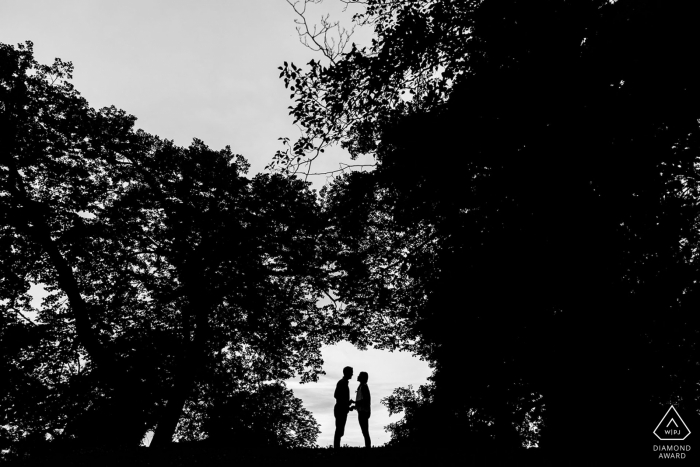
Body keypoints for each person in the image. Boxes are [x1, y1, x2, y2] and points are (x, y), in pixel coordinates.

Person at [333, 366, 354, 449]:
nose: (352, 374)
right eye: (351, 372)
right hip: (340, 409)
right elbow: (336, 396)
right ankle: (336, 449)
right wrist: (347, 403)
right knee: (339, 430)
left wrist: (348, 405)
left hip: (342, 409)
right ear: (347, 373)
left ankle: (336, 448)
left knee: (340, 430)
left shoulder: (343, 382)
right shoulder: (342, 383)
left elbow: (341, 398)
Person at [355, 371, 371, 449]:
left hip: (363, 412)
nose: (358, 376)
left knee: (365, 431)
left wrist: (355, 403)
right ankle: (368, 447)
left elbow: (364, 400)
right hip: (362, 411)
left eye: (359, 375)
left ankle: (368, 447)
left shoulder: (363, 386)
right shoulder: (361, 386)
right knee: (364, 431)